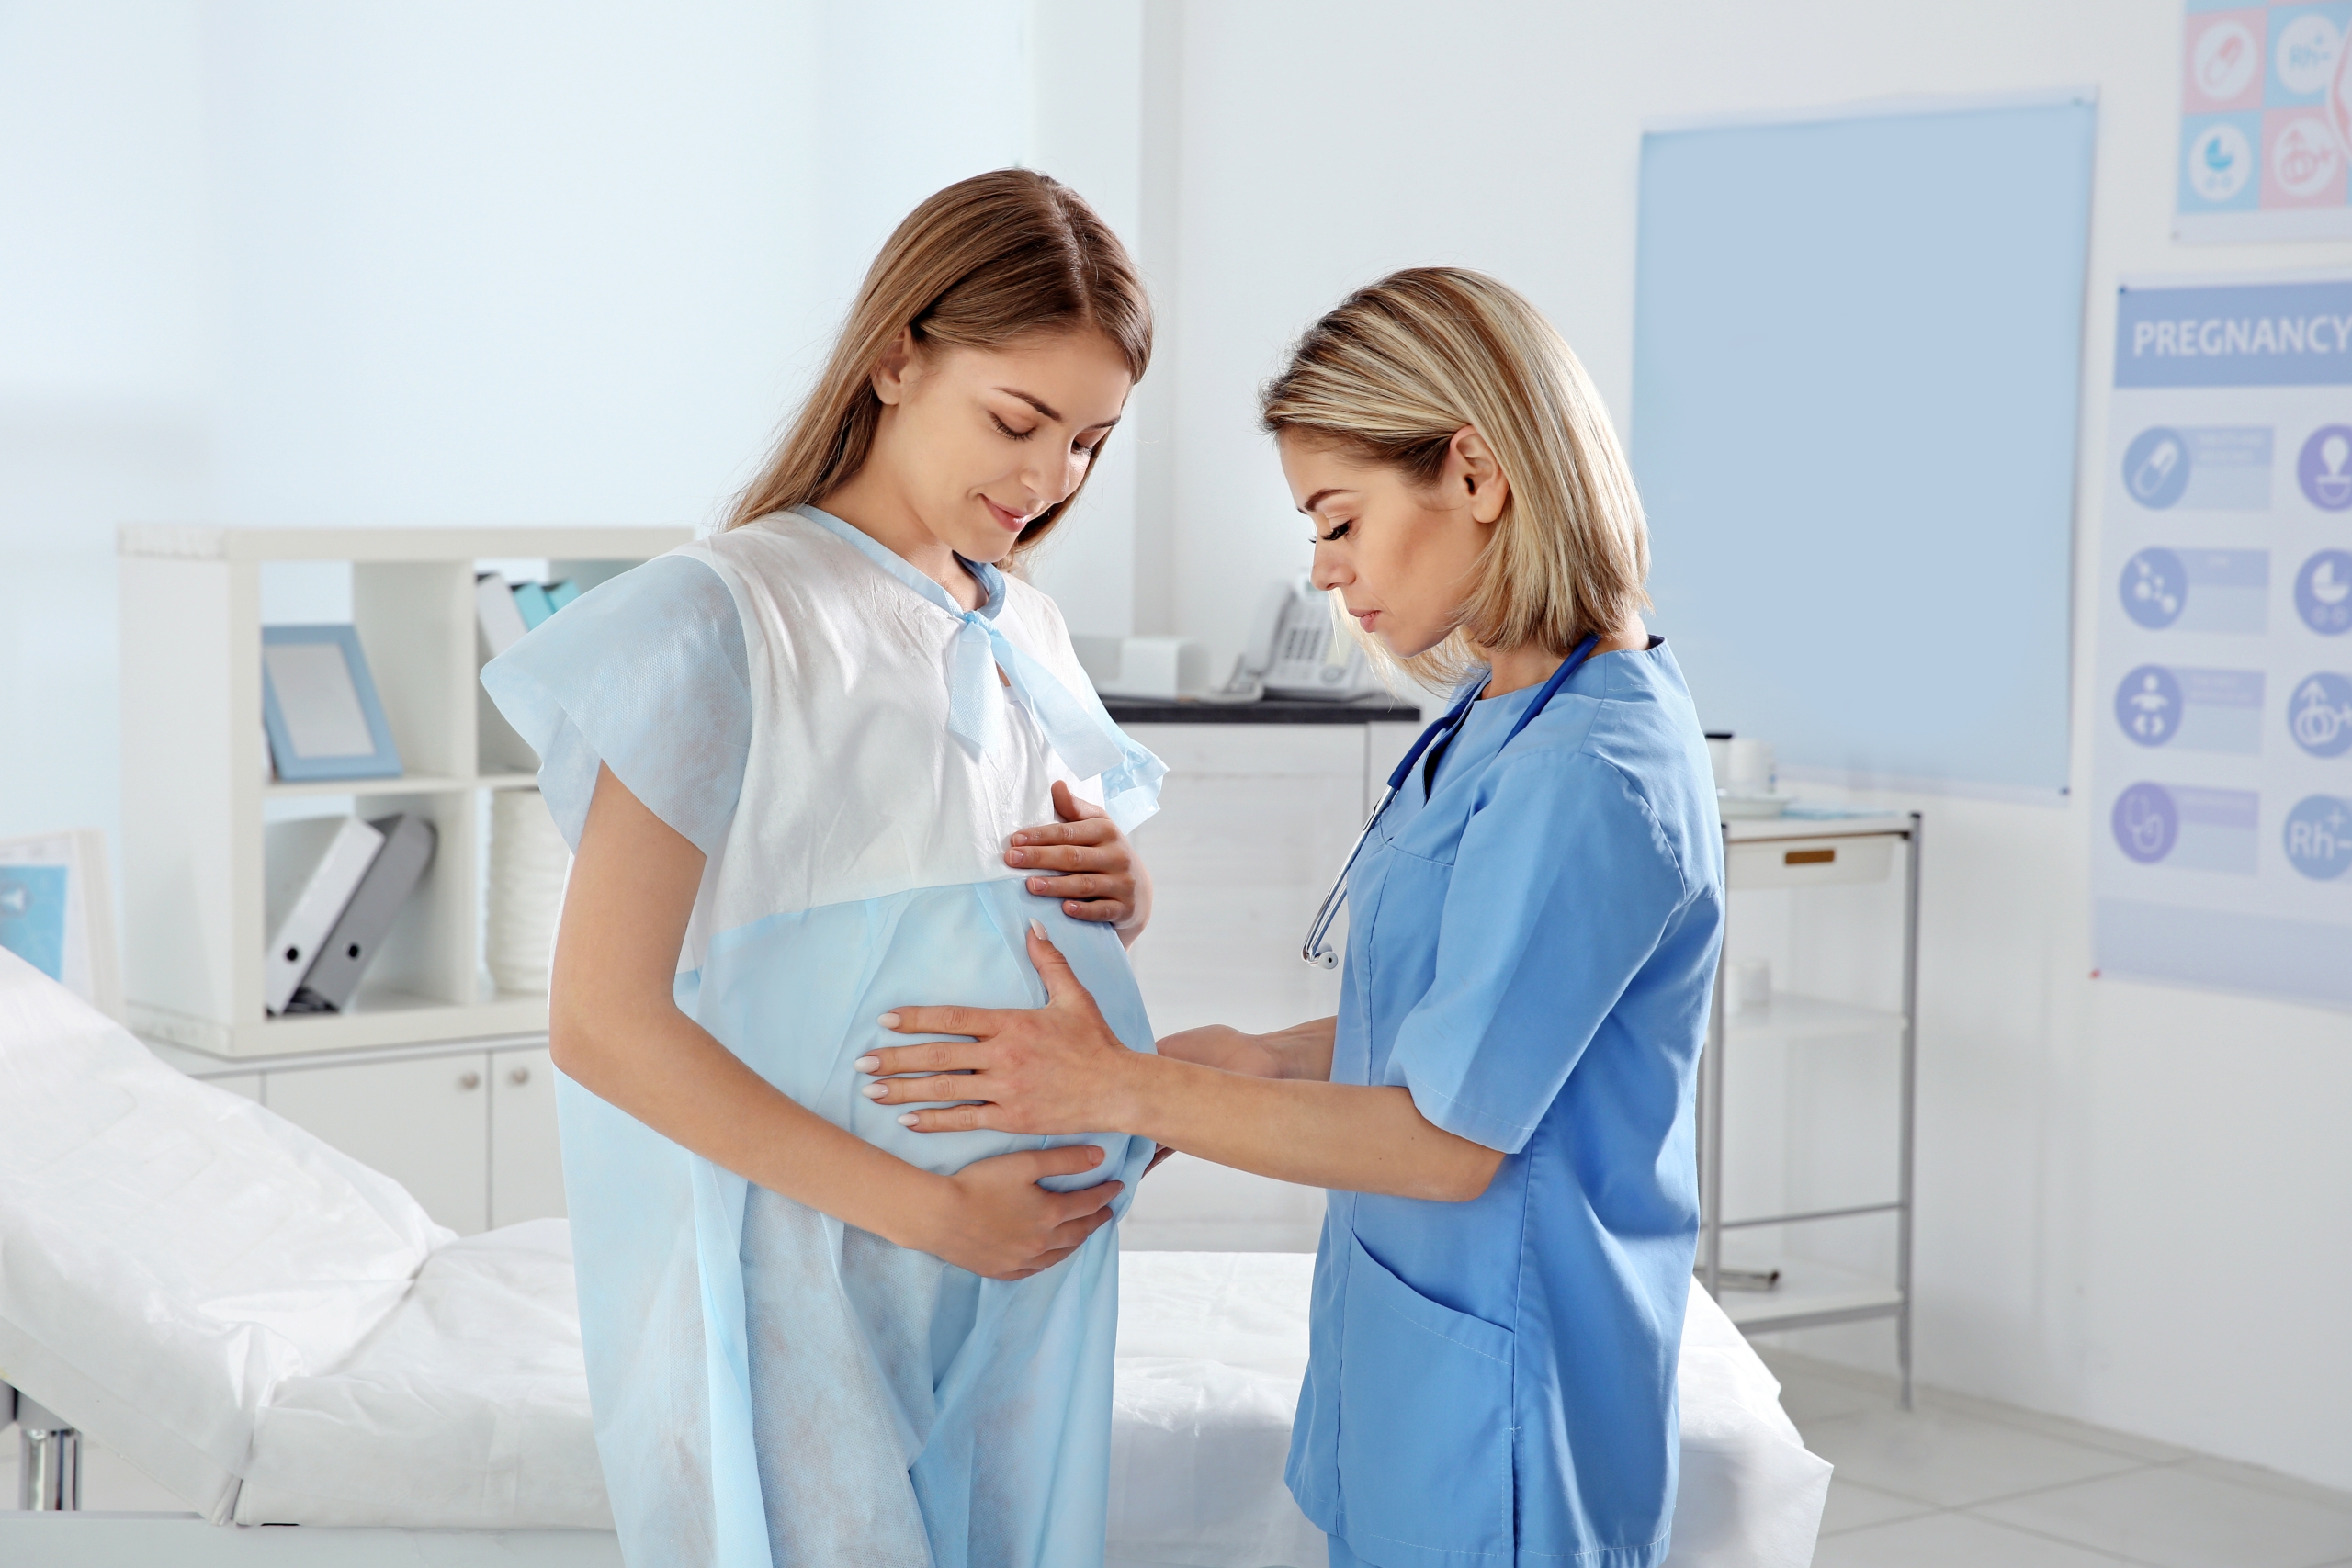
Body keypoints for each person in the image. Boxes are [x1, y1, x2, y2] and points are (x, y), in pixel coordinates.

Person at [861, 267, 1724, 1568]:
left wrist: (1121, 1091)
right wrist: (1241, 1061)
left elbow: (1446, 1144)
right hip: (1421, 1358)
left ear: (1477, 472)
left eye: (1339, 521)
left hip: (1513, 1406)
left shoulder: (1586, 774)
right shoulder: (1504, 710)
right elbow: (1480, 1014)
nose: (1324, 573)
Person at [482, 169, 1166, 1567]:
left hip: (1014, 1278)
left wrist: (1116, 891)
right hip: (817, 1270)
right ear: (896, 355)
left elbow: (983, 917)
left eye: (1092, 443)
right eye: (1018, 423)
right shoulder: (723, 618)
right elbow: (601, 1023)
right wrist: (935, 1212)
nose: (1052, 483)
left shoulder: (1023, 625)